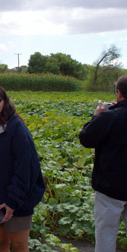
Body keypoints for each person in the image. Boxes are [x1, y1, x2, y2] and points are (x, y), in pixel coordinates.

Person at [0, 84, 45, 252]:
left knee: (20, 246)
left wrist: (12, 201)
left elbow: (25, 169)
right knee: (1, 244)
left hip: (17, 201)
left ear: (4, 102)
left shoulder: (16, 129)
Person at [79, 75, 127, 252]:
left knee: (106, 236)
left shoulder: (110, 117)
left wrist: (97, 116)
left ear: (119, 93)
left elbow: (86, 138)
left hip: (110, 187)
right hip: (112, 187)